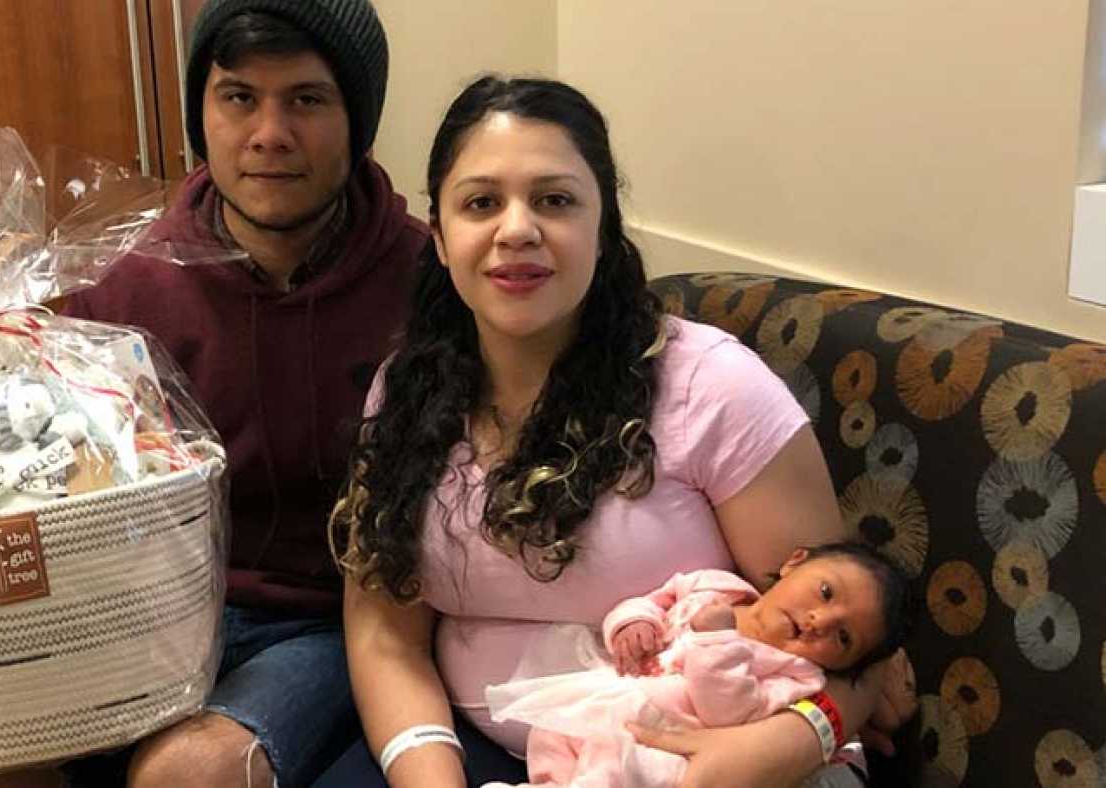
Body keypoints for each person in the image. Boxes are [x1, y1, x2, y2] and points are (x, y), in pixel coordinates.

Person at [0, 2, 428, 786]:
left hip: (325, 625)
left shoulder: (428, 285)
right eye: (238, 98)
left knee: (186, 775)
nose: (268, 133)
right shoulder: (127, 286)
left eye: (307, 100)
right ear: (202, 111)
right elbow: (1, 487)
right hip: (132, 618)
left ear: (360, 119)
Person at [313, 75, 915, 788]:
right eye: (481, 203)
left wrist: (780, 746)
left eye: (555, 200)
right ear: (440, 239)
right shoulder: (407, 391)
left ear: (603, 227)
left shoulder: (712, 387)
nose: (516, 229)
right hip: (479, 752)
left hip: (694, 759)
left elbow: (850, 655)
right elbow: (389, 635)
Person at [484, 542, 915, 787]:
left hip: (673, 743)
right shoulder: (715, 585)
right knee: (554, 732)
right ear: (794, 562)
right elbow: (655, 600)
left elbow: (728, 714)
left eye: (843, 637)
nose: (820, 621)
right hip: (619, 701)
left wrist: (717, 642)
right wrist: (633, 622)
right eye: (825, 592)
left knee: (624, 770)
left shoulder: (795, 675)